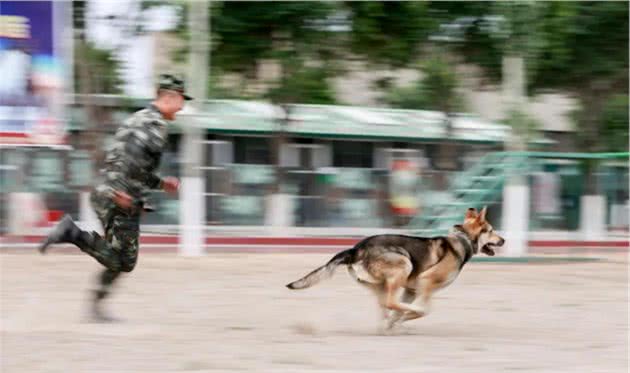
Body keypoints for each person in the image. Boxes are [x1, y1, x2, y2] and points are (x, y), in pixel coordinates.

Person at [39, 74, 192, 322]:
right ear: (169, 97)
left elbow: (136, 166)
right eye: (180, 100)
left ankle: (96, 306)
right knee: (124, 261)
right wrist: (123, 193)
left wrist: (163, 184)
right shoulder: (155, 125)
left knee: (119, 259)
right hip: (119, 198)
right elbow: (131, 161)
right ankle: (71, 233)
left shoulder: (136, 119)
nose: (182, 107)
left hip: (108, 192)